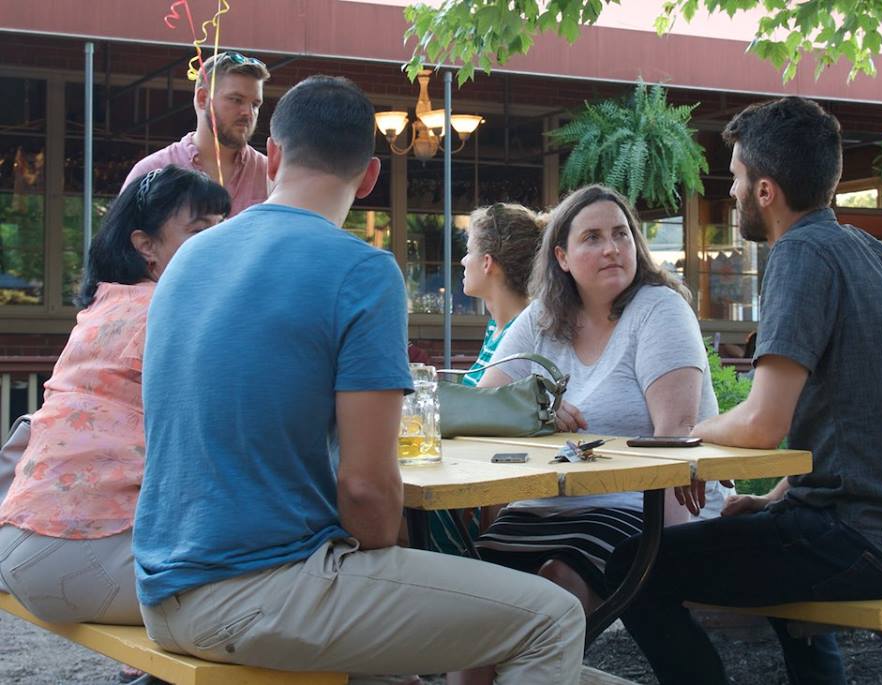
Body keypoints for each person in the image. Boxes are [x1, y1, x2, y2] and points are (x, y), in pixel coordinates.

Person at [133, 75, 585, 685]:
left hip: (161, 587)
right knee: (551, 620)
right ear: (370, 177)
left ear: (275, 157)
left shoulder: (190, 256)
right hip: (259, 591)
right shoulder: (362, 270)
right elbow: (368, 493)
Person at [607, 96, 882, 685]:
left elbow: (761, 425)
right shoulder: (875, 255)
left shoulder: (799, 255)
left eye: (739, 178)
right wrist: (773, 500)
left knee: (632, 567)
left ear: (766, 191)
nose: (734, 190)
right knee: (770, 540)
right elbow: (866, 414)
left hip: (866, 540)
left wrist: (688, 432)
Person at [472, 184, 728, 616]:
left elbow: (677, 432)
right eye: (592, 237)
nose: (611, 248)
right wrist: (535, 408)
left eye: (621, 233)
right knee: (480, 589)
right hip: (545, 503)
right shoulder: (541, 318)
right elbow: (482, 406)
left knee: (558, 579)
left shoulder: (658, 309)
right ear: (562, 258)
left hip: (635, 505)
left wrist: (667, 556)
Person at [0, 165, 229, 625]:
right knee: (278, 587)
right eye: (201, 230)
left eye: (223, 229)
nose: (219, 244)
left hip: (20, 539)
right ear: (145, 245)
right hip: (82, 552)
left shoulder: (109, 304)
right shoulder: (171, 310)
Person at [429, 202, 544, 555]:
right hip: (468, 482)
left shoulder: (526, 331)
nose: (462, 262)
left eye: (468, 252)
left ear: (487, 262)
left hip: (486, 497)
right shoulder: (498, 327)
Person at [122, 52, 270, 216]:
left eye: (255, 104)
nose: (248, 113)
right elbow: (119, 240)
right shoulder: (152, 172)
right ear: (202, 98)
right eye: (236, 99)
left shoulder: (271, 175)